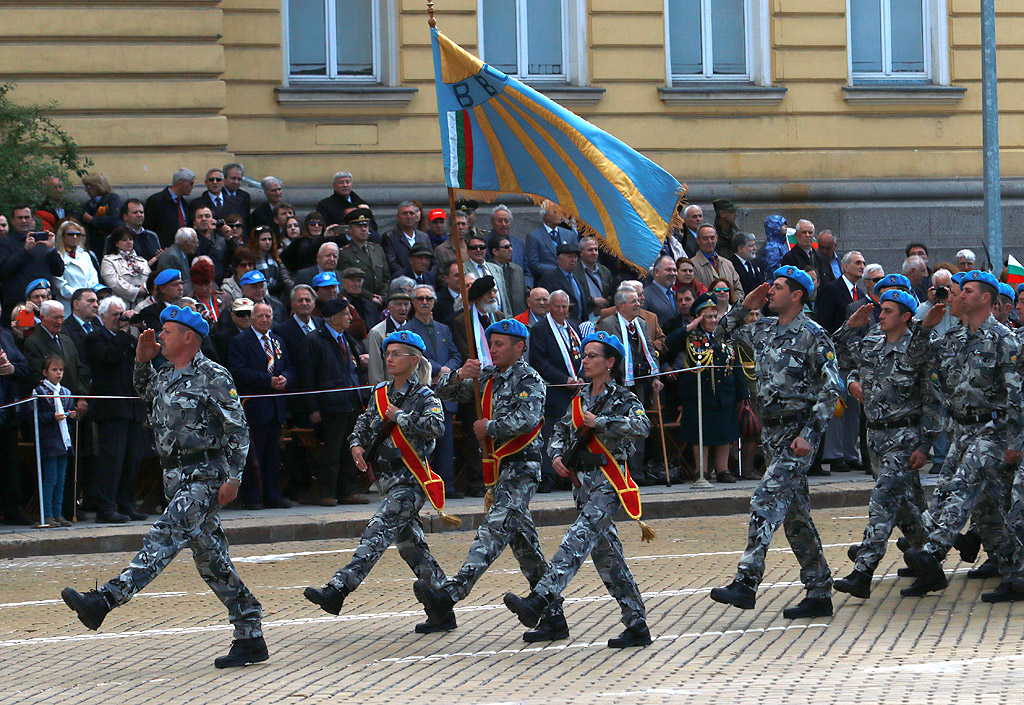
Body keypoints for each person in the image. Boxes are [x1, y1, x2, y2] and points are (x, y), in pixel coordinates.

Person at [60, 305, 267, 669]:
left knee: (164, 537)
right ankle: (250, 633)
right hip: (174, 476)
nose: (160, 336)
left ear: (189, 337)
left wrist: (234, 477)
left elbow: (238, 429)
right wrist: (142, 360)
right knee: (211, 561)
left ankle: (105, 600)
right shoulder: (167, 373)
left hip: (206, 475)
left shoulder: (214, 375)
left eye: (167, 332)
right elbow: (145, 394)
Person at [414, 318, 568, 642]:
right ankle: (553, 616)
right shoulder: (486, 376)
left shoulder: (530, 379)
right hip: (497, 471)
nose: (493, 350)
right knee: (525, 546)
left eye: (499, 344)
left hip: (521, 468)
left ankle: (451, 594)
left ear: (519, 347)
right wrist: (460, 374)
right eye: (491, 344)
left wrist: (491, 427)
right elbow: (438, 392)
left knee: (493, 531)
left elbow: (527, 419)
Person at [503, 331, 653, 648]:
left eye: (592, 356)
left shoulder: (622, 398)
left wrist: (601, 422)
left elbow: (642, 427)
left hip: (608, 482)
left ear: (610, 362)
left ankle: (540, 599)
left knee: (577, 539)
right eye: (584, 356)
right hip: (581, 484)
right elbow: (559, 430)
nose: (585, 361)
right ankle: (637, 623)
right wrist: (556, 455)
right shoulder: (579, 398)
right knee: (608, 556)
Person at [709, 267, 843, 619]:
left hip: (796, 434)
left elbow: (832, 390)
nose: (771, 292)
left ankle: (747, 580)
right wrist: (742, 305)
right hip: (770, 434)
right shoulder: (764, 329)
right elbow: (720, 335)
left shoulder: (814, 335)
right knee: (795, 517)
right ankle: (819, 591)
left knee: (764, 498)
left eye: (779, 287)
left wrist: (809, 436)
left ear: (797, 295)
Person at [303, 330, 457, 632]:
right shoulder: (380, 391)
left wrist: (401, 417)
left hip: (411, 479)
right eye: (388, 353)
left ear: (414, 360)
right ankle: (442, 605)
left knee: (378, 528)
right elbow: (364, 422)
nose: (389, 358)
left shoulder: (425, 395)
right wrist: (355, 444)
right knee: (411, 547)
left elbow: (436, 427)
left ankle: (338, 589)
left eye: (397, 353)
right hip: (387, 480)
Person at [900, 271, 1023, 600]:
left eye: (966, 291)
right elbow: (913, 361)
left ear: (986, 299)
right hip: (962, 430)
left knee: (960, 486)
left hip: (993, 431)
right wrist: (924, 327)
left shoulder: (1004, 339)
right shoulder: (953, 338)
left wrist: (1014, 442)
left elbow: (1016, 395)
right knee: (989, 508)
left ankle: (933, 550)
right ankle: (1015, 574)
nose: (958, 296)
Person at [831, 291, 937, 599]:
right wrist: (850, 326)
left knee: (881, 500)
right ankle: (930, 564)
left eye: (888, 311)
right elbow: (833, 352)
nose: (881, 316)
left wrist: (926, 444)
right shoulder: (871, 344)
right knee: (902, 507)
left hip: (904, 437)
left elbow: (931, 399)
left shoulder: (918, 349)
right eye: (881, 310)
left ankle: (862, 571)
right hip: (875, 436)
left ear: (905, 317)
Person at [670, 293, 748, 483]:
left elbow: (735, 363)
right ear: (699, 318)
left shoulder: (724, 336)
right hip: (700, 394)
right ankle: (701, 471)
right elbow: (670, 344)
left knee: (725, 433)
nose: (713, 320)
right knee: (700, 435)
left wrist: (742, 392)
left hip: (724, 393)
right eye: (708, 316)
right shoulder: (689, 336)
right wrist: (690, 327)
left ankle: (723, 470)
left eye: (715, 316)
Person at [85, 296, 147, 525]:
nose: (119, 319)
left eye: (122, 314)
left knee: (133, 458)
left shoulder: (128, 339)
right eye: (114, 315)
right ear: (102, 317)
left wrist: (141, 331)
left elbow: (142, 360)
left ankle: (126, 504)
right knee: (112, 460)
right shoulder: (94, 338)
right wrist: (123, 332)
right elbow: (108, 357)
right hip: (111, 408)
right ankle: (106, 507)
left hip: (131, 406)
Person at [301, 297, 369, 506]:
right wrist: (312, 406)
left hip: (352, 399)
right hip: (331, 403)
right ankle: (328, 492)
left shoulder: (347, 338)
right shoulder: (314, 340)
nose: (350, 318)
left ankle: (349, 490)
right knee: (332, 450)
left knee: (351, 447)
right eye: (346, 314)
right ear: (333, 318)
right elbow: (308, 375)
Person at [228, 302, 295, 510]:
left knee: (273, 456)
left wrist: (285, 378)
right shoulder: (240, 342)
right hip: (254, 407)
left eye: (268, 316)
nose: (265, 320)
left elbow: (289, 366)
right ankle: (252, 497)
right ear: (252, 318)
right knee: (253, 455)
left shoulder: (277, 341)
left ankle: (272, 495)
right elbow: (238, 371)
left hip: (276, 406)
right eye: (260, 316)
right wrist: (267, 381)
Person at [401, 285, 461, 494]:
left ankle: (447, 485)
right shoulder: (406, 330)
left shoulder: (443, 328)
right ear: (413, 303)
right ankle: (419, 484)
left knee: (446, 442)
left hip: (445, 391)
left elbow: (455, 354)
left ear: (434, 302)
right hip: (420, 393)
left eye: (428, 298)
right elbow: (412, 356)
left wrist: (448, 370)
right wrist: (437, 368)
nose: (424, 302)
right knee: (421, 441)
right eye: (420, 299)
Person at [528, 290, 584, 492]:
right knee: (552, 433)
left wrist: (582, 376)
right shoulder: (540, 329)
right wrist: (564, 379)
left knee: (574, 433)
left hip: (576, 390)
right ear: (550, 307)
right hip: (555, 390)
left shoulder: (574, 327)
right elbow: (538, 361)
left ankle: (571, 475)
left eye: (564, 307)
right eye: (557, 306)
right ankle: (547, 477)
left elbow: (585, 354)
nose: (561, 310)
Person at [26, 354, 77, 527]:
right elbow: (32, 416)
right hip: (48, 440)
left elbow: (69, 411)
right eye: (54, 370)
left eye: (61, 370)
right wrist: (51, 417)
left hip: (63, 440)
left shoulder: (66, 392)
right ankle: (47, 514)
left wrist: (72, 416)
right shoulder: (39, 393)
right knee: (50, 478)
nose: (58, 373)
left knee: (61, 479)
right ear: (45, 372)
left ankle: (57, 512)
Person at [0, 204, 65, 325]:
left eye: (27, 217)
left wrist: (52, 249)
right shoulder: (4, 243)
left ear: (33, 220)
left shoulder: (42, 243)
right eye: (20, 218)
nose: (24, 220)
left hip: (45, 305)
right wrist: (25, 250)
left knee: (47, 337)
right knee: (23, 335)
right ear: (13, 221)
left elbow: (59, 270)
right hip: (20, 306)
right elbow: (4, 270)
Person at [338, 211, 388, 306]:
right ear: (350, 229)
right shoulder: (345, 253)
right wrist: (370, 297)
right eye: (359, 226)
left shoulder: (377, 249)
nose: (364, 229)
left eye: (366, 226)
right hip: (360, 302)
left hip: (382, 302)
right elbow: (347, 281)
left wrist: (383, 297)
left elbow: (386, 278)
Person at [525, 202, 579, 282]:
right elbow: (533, 264)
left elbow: (577, 256)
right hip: (548, 281)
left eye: (560, 212)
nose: (559, 215)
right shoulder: (534, 236)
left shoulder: (569, 234)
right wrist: (559, 269)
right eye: (555, 212)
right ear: (545, 215)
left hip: (569, 281)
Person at [538, 243, 590, 324]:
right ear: (559, 258)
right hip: (561, 323)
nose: (573, 260)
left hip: (580, 324)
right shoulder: (549, 278)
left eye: (575, 257)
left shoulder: (579, 280)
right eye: (570, 257)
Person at [143, 168, 195, 247]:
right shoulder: (156, 201)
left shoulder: (183, 203)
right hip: (162, 250)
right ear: (182, 182)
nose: (192, 187)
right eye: (191, 183)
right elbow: (148, 229)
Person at [101, 227, 151, 309]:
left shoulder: (142, 261)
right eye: (124, 240)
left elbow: (150, 279)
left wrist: (145, 289)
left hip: (144, 304)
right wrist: (136, 292)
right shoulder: (108, 260)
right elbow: (113, 282)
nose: (129, 242)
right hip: (121, 306)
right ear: (116, 243)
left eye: (131, 239)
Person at [80, 172, 123, 258]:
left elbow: (115, 219)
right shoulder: (89, 204)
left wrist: (93, 220)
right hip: (95, 242)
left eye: (89, 187)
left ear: (98, 186)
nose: (86, 190)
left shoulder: (113, 199)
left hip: (110, 241)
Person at [691, 224, 743, 295]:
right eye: (705, 238)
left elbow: (738, 290)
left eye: (712, 238)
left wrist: (731, 304)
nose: (710, 241)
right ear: (698, 240)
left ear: (717, 238)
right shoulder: (692, 265)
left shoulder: (728, 264)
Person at [157, 227, 197, 295]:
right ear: (185, 243)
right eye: (194, 242)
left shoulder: (182, 254)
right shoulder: (172, 257)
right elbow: (172, 286)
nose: (196, 245)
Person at [644, 255, 678, 327]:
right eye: (668, 270)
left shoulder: (678, 295)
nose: (672, 273)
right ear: (656, 272)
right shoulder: (645, 295)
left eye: (675, 270)